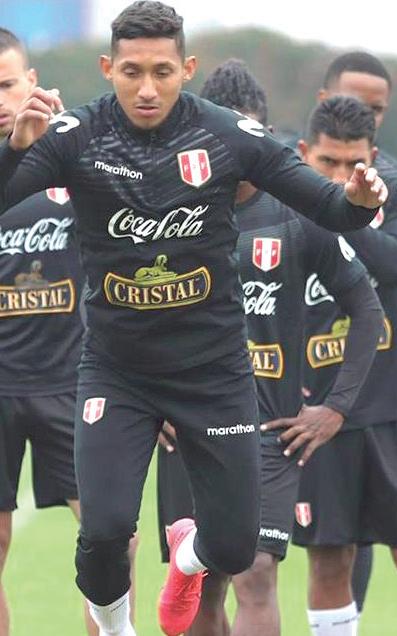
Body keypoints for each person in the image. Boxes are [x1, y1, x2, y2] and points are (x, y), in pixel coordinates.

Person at [0, 3, 386, 635]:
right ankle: (118, 628)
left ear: (187, 68)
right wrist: (15, 148)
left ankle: (188, 556)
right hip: (117, 372)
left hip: (213, 371)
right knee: (104, 532)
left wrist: (358, 201)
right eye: (131, 71)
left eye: (162, 71)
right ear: (108, 68)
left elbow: (328, 206)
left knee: (234, 549)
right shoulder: (76, 135)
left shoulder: (227, 134)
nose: (147, 88)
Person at [153, 60, 385, 636]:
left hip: (268, 431)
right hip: (187, 426)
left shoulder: (298, 213)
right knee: (204, 585)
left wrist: (336, 407)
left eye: (246, 135)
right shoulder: (164, 210)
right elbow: (115, 304)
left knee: (255, 574)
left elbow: (366, 308)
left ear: (264, 135)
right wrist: (148, 397)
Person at [293, 95, 397, 636]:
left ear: (375, 157)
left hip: (393, 404)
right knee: (329, 559)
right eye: (328, 162)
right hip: (313, 409)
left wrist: (347, 212)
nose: (340, 175)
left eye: (354, 163)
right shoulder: (278, 200)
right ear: (304, 152)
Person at [0, 28, 140, 636]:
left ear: (32, 82)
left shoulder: (74, 150)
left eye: (7, 84)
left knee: (113, 535)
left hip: (75, 381)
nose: (0, 99)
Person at [315, 50, 397, 613]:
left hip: (389, 391)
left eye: (377, 109)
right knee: (328, 553)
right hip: (309, 395)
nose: (366, 114)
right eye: (353, 102)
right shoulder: (281, 186)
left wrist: (348, 212)